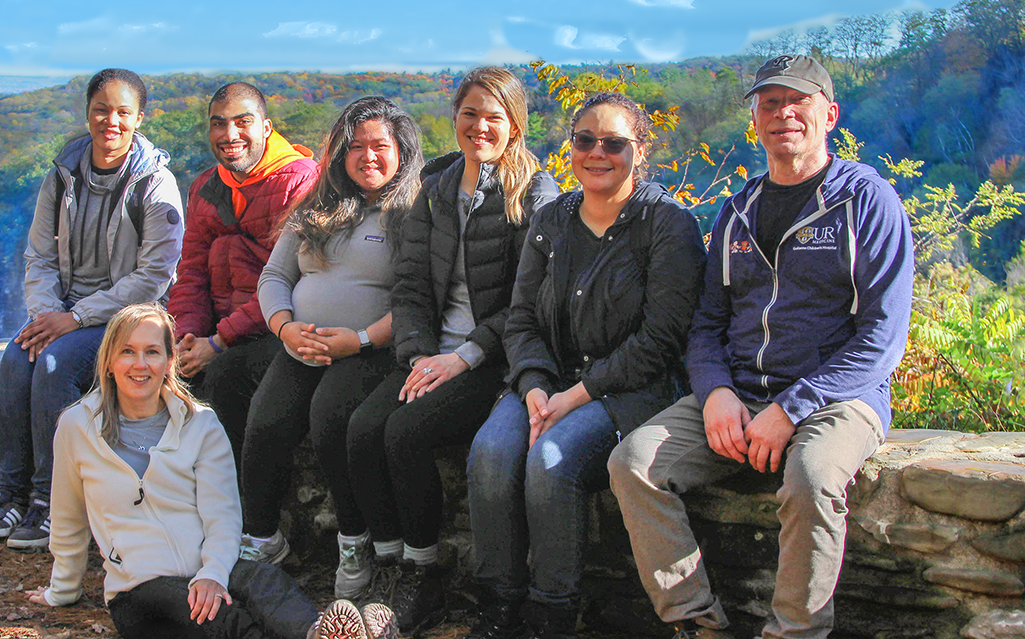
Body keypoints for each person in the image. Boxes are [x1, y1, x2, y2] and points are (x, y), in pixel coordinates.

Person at [607, 55, 915, 639]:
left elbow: (882, 336)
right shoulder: (738, 211)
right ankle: (696, 622)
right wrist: (716, 392)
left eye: (797, 101)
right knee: (634, 463)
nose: (783, 114)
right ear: (755, 118)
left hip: (838, 397)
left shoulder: (866, 203)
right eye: (769, 103)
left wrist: (792, 408)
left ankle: (794, 632)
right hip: (739, 390)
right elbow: (706, 325)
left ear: (829, 112)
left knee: (812, 476)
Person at [466, 91, 703, 639]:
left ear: (639, 151)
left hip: (630, 389)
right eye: (585, 139)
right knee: (490, 453)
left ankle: (553, 612)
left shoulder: (667, 225)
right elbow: (520, 317)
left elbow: (662, 339)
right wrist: (532, 385)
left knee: (553, 459)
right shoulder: (553, 220)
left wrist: (579, 395)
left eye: (615, 142)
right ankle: (498, 607)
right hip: (547, 381)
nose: (598, 152)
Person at [24, 303, 398, 639]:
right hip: (141, 589)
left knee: (263, 580)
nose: (140, 364)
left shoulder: (201, 424)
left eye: (152, 352)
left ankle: (317, 633)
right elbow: (68, 517)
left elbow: (222, 515)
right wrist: (62, 589)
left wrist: (213, 573)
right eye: (127, 352)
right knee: (210, 615)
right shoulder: (77, 426)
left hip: (210, 568)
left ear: (170, 361)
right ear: (108, 362)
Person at [344, 67, 559, 635]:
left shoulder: (534, 194)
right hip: (432, 354)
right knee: (364, 429)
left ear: (515, 123)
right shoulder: (436, 189)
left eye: (495, 117)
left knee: (404, 432)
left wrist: (462, 357)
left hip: (493, 360)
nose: (481, 127)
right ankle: (390, 563)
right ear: (455, 117)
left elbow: (526, 302)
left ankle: (425, 575)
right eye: (470, 114)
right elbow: (411, 286)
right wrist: (418, 355)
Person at [0, 68, 185, 550]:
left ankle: (52, 503)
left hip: (129, 316)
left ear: (138, 119)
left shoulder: (154, 184)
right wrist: (46, 314)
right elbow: (39, 255)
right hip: (64, 311)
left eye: (122, 113)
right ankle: (8, 496)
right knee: (16, 357)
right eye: (101, 109)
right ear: (87, 112)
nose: (110, 121)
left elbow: (154, 277)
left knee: (54, 364)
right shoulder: (63, 174)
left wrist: (73, 319)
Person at [236, 96, 424, 583]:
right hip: (300, 345)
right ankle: (260, 539)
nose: (368, 157)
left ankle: (354, 540)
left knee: (330, 420)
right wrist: (285, 327)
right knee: (265, 420)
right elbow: (274, 276)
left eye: (380, 146)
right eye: (355, 147)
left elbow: (415, 300)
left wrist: (359, 340)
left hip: (371, 351)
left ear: (401, 151)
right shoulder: (318, 204)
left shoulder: (414, 213)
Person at [169, 82, 320, 453]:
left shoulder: (299, 181)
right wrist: (185, 338)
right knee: (153, 368)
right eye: (218, 124)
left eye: (242, 122)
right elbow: (191, 273)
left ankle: (231, 500)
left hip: (272, 329)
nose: (229, 134)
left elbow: (288, 279)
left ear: (266, 128)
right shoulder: (206, 186)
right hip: (216, 331)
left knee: (221, 376)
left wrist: (219, 342)